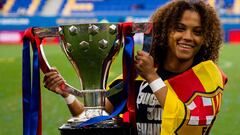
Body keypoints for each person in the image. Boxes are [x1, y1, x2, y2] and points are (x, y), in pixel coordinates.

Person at [43, 0, 227, 135]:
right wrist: (65, 93)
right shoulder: (137, 76)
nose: (188, 37)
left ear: (206, 39)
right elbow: (94, 118)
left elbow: (189, 125)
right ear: (165, 31)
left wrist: (152, 78)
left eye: (197, 32)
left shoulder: (207, 77)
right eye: (179, 28)